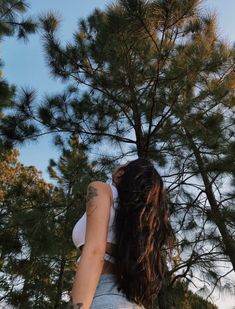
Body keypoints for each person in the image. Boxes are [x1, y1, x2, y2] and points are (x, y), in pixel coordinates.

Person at [69, 158, 173, 309]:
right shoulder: (138, 223)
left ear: (121, 173)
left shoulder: (101, 190)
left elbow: (94, 253)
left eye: (125, 163)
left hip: (102, 296)